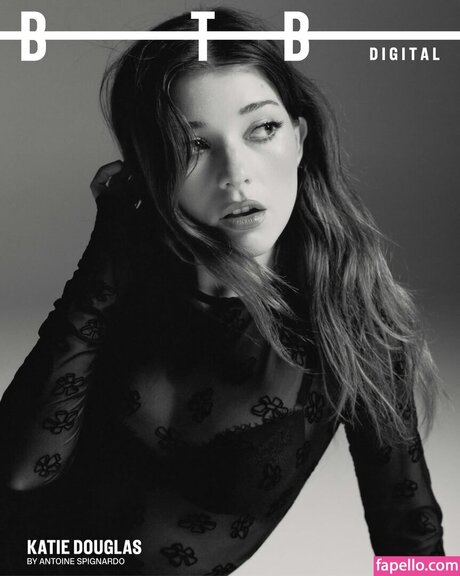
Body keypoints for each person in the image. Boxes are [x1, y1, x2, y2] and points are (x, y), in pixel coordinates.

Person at [0, 7, 445, 575]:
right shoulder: (119, 285)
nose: (236, 173)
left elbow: (409, 530)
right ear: (151, 168)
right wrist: (106, 254)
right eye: (193, 145)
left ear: (299, 138)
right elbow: (22, 473)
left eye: (262, 129)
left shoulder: (352, 324)